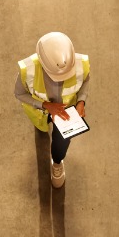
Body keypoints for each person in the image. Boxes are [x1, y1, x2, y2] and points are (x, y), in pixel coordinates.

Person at [14, 32, 90, 188]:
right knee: (41, 129)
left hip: (66, 113)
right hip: (40, 112)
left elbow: (85, 81)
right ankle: (42, 126)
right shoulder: (28, 69)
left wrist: (81, 101)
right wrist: (45, 105)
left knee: (62, 141)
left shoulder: (81, 64)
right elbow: (19, 93)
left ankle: (57, 162)